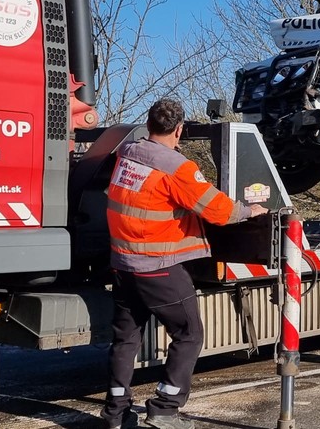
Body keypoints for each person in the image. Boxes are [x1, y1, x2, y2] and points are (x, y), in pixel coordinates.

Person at [101, 99, 268, 429]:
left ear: (149, 125)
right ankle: (165, 407)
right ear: (179, 130)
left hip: (123, 264)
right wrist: (251, 212)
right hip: (157, 266)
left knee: (126, 339)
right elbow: (218, 211)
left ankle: (115, 413)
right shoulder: (176, 167)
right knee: (189, 334)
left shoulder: (127, 155)